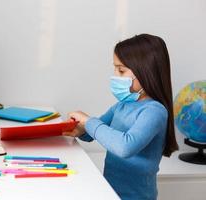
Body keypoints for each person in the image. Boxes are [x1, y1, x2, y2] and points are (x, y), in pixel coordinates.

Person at [63, 34, 179, 200]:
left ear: (145, 71)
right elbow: (92, 133)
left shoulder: (154, 111)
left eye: (121, 70)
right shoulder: (122, 105)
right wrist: (79, 129)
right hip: (111, 192)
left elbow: (125, 147)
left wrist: (88, 121)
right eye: (115, 68)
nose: (115, 75)